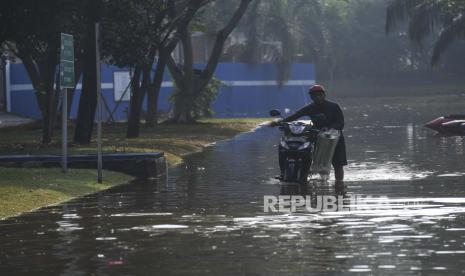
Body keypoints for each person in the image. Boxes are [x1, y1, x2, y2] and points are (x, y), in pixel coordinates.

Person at [271, 84, 347, 181]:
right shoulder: (310, 108)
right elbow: (295, 115)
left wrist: (328, 128)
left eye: (319, 95)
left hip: (335, 138)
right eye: (314, 96)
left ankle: (339, 185)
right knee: (312, 157)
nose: (317, 97)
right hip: (318, 137)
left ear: (324, 95)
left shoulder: (334, 106)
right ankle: (302, 174)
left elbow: (340, 123)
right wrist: (280, 122)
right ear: (311, 97)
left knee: (338, 164)